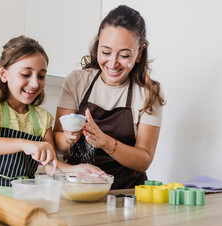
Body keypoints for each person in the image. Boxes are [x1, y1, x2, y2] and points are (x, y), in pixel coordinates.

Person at [0, 36, 103, 200]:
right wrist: (23, 144)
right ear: (3, 73)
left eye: (41, 76)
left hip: (22, 200)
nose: (35, 84)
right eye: (26, 74)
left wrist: (76, 170)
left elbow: (51, 167)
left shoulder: (42, 117)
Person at [53, 5, 165, 189]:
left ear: (139, 53)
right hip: (77, 190)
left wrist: (105, 142)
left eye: (124, 55)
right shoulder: (77, 82)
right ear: (98, 46)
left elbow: (144, 159)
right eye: (106, 52)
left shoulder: (148, 94)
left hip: (127, 194)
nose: (112, 63)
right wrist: (69, 137)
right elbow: (57, 144)